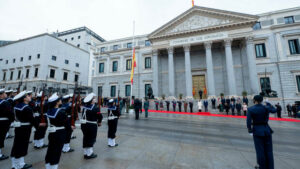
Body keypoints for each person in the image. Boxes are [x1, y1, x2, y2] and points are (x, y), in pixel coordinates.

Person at [11, 91, 40, 169]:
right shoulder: (26, 108)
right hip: (25, 129)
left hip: (18, 128)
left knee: (16, 145)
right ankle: (20, 165)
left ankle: (15, 164)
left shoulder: (16, 106)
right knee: (22, 146)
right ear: (24, 99)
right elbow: (32, 120)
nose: (29, 97)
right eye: (27, 96)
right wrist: (38, 127)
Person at [247, 95, 276, 169]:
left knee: (260, 150)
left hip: (257, 130)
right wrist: (268, 103)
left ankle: (262, 167)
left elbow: (248, 121)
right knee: (269, 151)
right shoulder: (266, 107)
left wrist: (250, 130)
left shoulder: (250, 109)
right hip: (267, 130)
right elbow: (274, 110)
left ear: (255, 100)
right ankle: (270, 167)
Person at [44, 93, 70, 169]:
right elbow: (66, 124)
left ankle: (48, 166)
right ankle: (54, 167)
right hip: (60, 133)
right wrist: (69, 129)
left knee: (50, 150)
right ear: (57, 102)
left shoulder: (49, 110)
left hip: (52, 133)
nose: (61, 100)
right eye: (59, 100)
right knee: (56, 152)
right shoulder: (60, 112)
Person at [81, 93, 103, 159]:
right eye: (94, 98)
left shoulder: (84, 107)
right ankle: (89, 154)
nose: (95, 99)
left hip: (84, 125)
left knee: (85, 138)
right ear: (91, 100)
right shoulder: (95, 108)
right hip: (91, 125)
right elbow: (99, 116)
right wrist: (99, 122)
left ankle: (85, 153)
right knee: (91, 139)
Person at [0, 88, 14, 161]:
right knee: (1, 137)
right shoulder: (5, 103)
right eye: (4, 93)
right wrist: (12, 120)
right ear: (1, 95)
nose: (5, 94)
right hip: (3, 122)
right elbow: (10, 113)